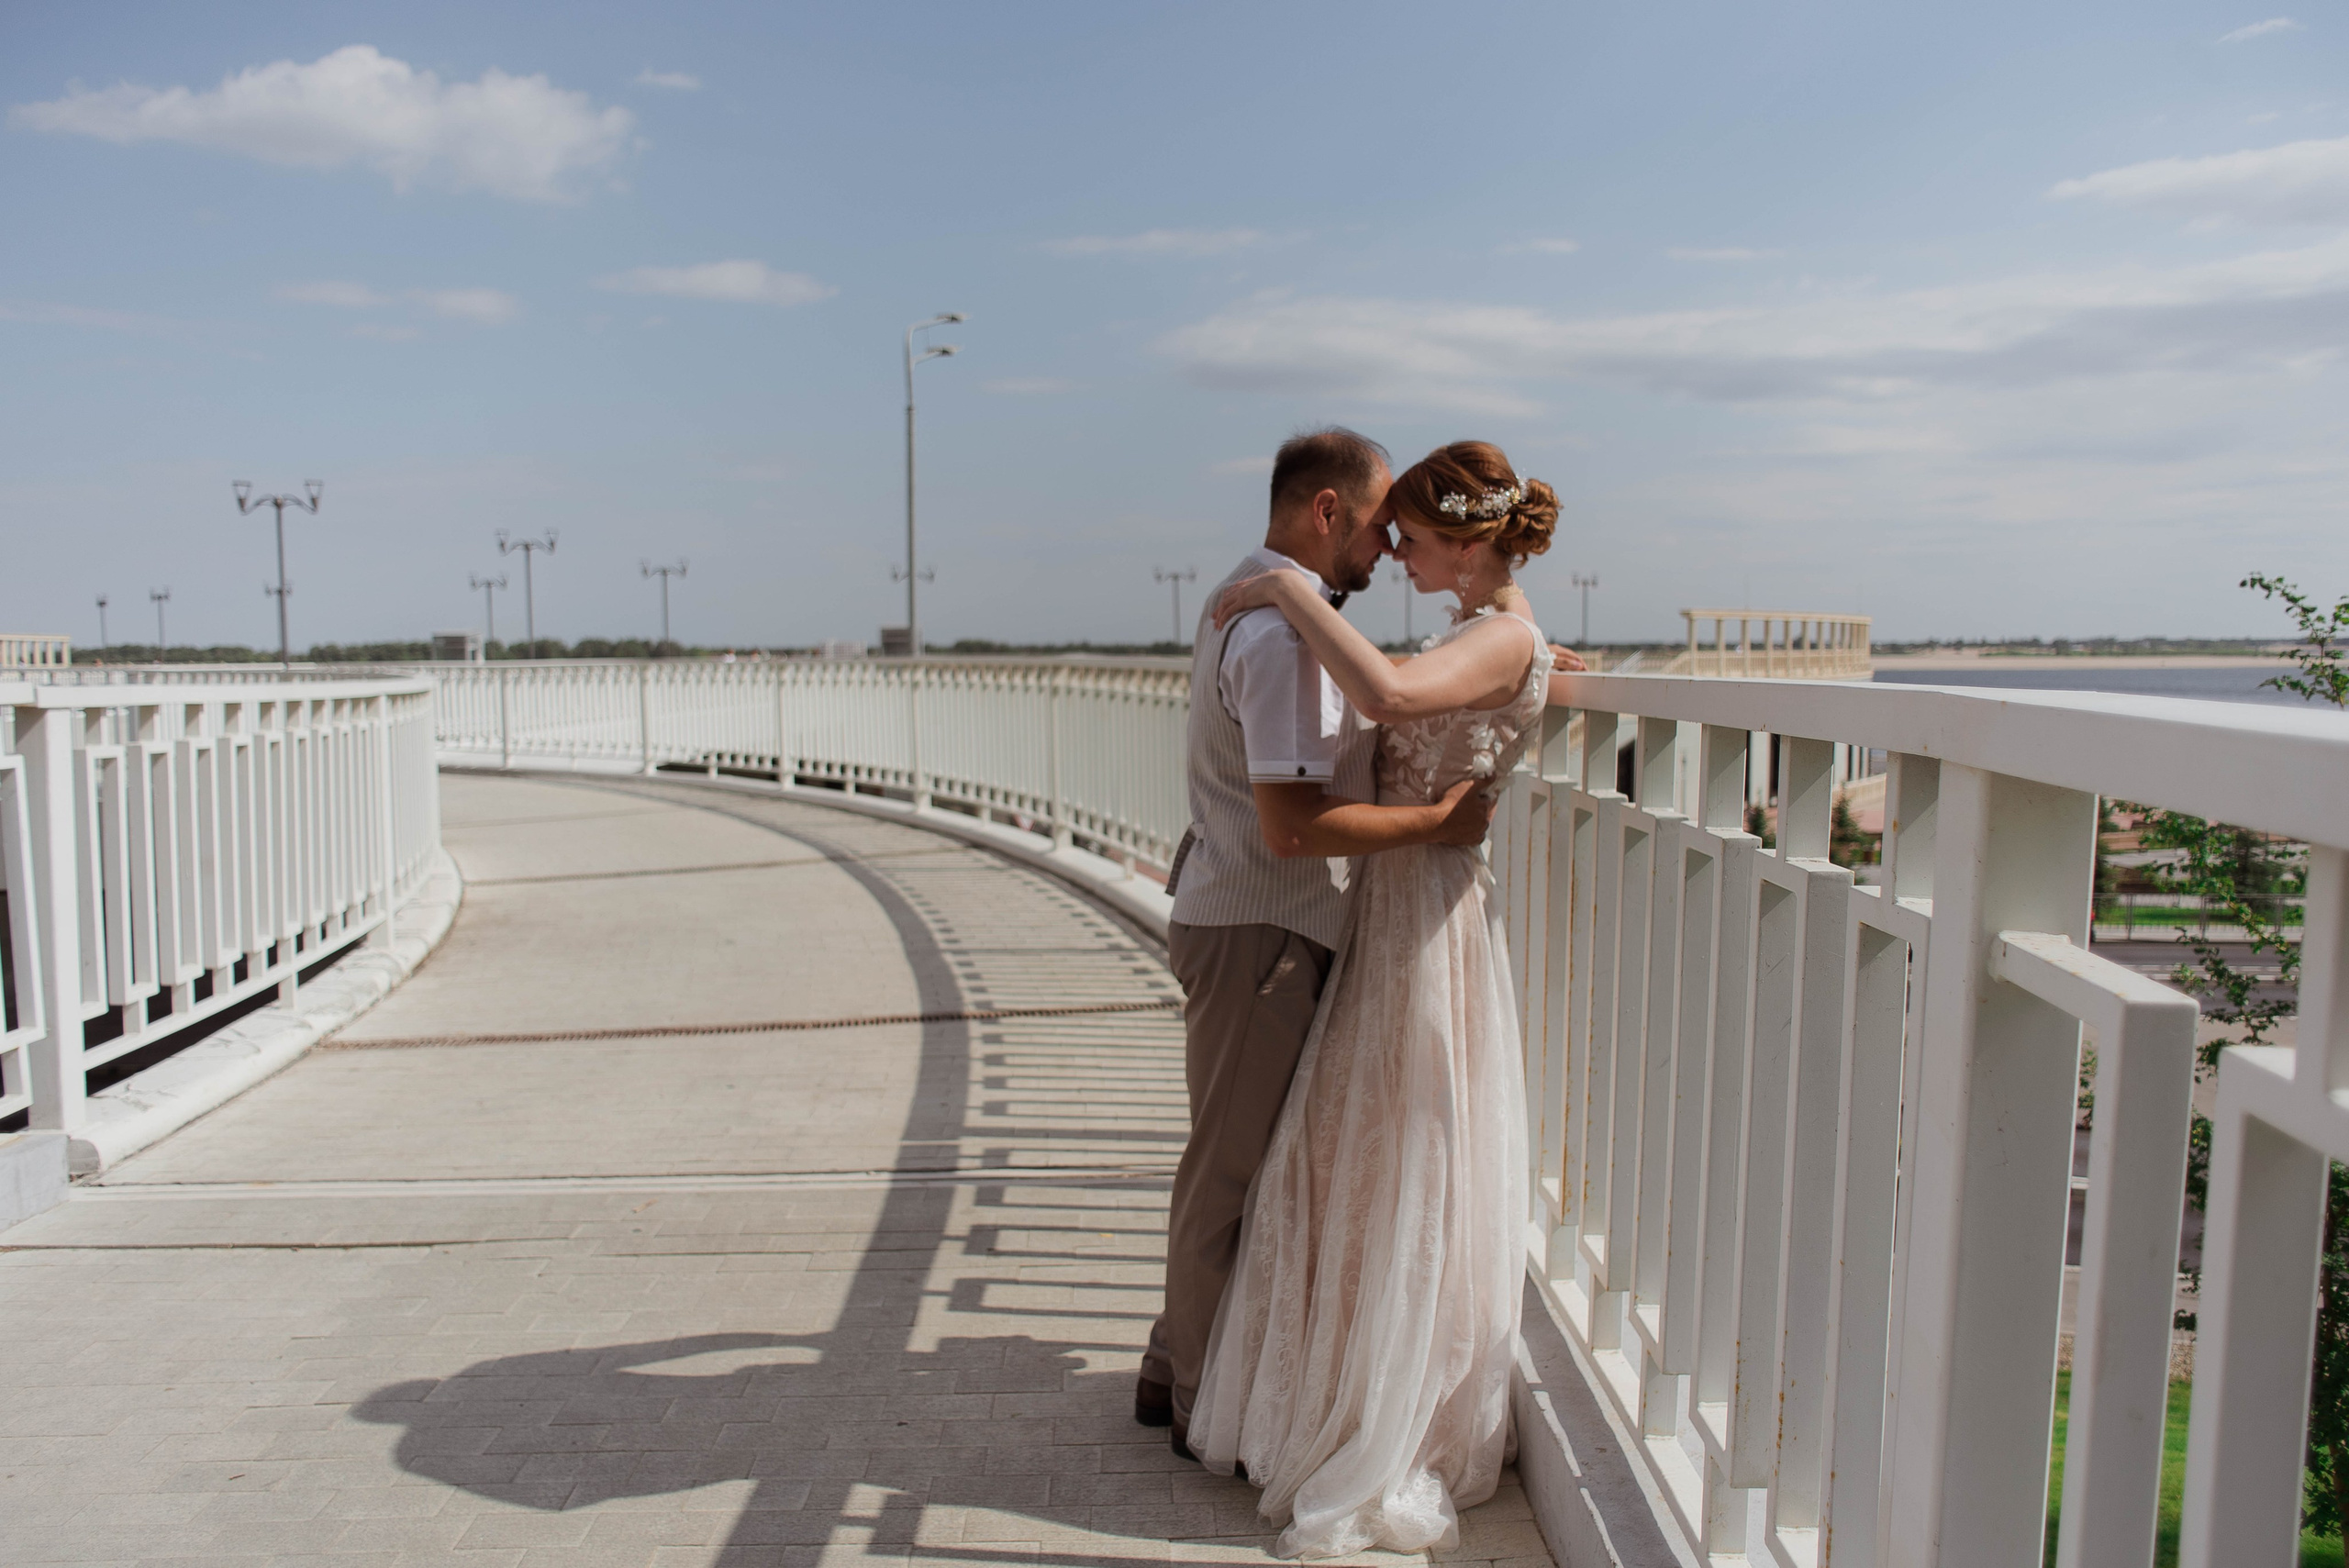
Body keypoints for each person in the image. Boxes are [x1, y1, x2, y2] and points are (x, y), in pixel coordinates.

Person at [1189, 440, 1562, 1559]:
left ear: (1470, 541)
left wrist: (1282, 593)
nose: (1395, 550)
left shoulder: (1495, 634)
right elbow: (1424, 688)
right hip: (1388, 904)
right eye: (1386, 528)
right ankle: (1335, 1379)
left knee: (1409, 1152)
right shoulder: (1479, 632)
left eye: (1414, 535)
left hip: (1428, 909)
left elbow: (1393, 694)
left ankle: (1386, 1402)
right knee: (1356, 1151)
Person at [1140, 428, 1500, 1453]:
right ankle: (1197, 1404)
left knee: (1236, 1154)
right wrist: (1439, 826)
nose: (1391, 548)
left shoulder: (1270, 607)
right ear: (1326, 511)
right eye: (1381, 523)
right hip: (1261, 926)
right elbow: (1291, 827)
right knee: (1231, 1170)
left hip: (1255, 920)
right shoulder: (1278, 636)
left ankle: (1172, 1360)